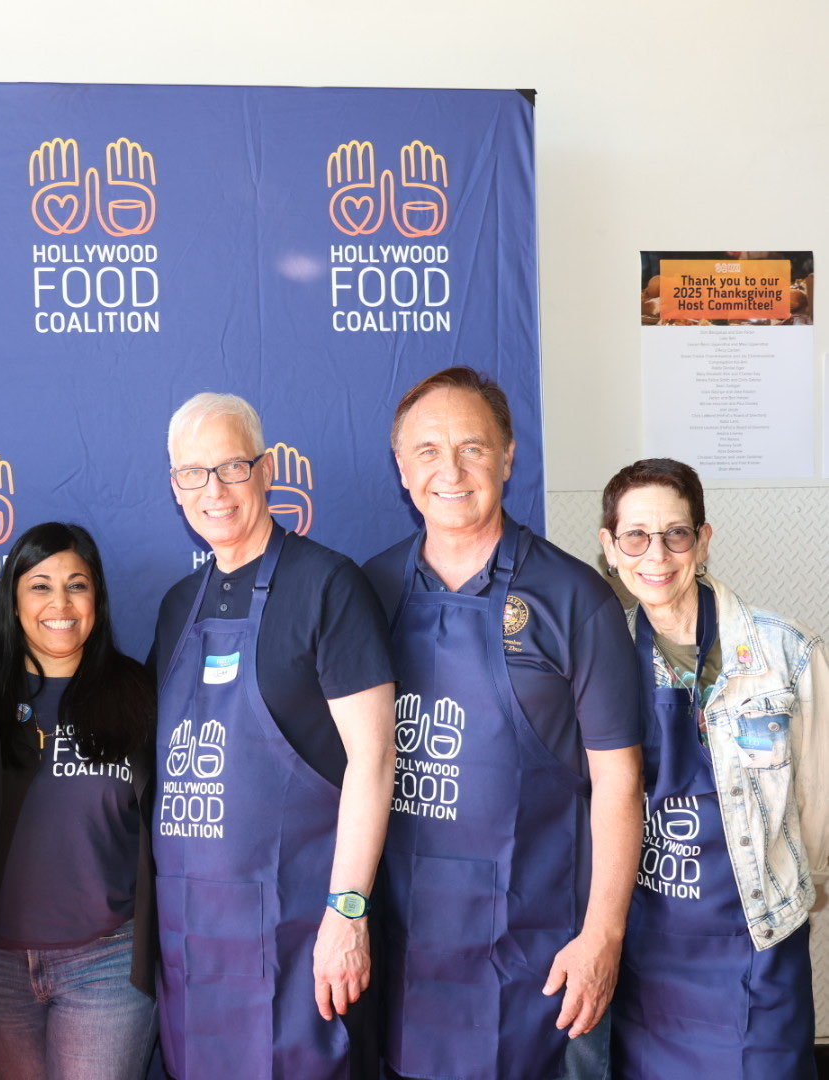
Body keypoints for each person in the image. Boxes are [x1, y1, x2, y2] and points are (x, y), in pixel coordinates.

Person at [362, 367, 643, 1080]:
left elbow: (619, 781)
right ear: (400, 468)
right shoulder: (366, 593)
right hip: (409, 957)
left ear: (509, 456)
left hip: (542, 961)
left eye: (473, 448)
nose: (450, 470)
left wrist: (603, 937)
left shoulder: (575, 598)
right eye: (426, 451)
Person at [150, 393, 396, 1080]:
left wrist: (347, 914)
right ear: (175, 487)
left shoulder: (327, 586)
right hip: (194, 950)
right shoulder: (178, 606)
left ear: (265, 470)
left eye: (231, 466)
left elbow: (375, 762)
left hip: (298, 943)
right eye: (193, 474)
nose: (214, 490)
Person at [598, 458, 824, 1079]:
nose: (657, 554)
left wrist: (811, 880)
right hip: (647, 951)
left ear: (702, 540)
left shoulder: (786, 653)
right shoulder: (602, 655)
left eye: (675, 533)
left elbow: (819, 795)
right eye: (636, 536)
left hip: (756, 945)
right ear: (610, 549)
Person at [0, 522, 157, 1080]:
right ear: (13, 601)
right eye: (40, 585)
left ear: (97, 598)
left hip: (108, 962)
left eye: (78, 584)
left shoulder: (142, 695)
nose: (60, 603)